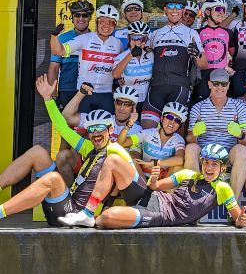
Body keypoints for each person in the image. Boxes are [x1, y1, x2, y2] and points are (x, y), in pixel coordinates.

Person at [0, 75, 145, 227]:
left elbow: (132, 169)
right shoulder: (89, 147)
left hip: (75, 213)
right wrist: (48, 99)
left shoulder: (115, 150)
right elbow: (62, 127)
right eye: (92, 130)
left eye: (100, 129)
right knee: (38, 152)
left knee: (53, 179)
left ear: (110, 130)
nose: (96, 134)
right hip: (65, 204)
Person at [93, 144, 246, 229]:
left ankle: (96, 218)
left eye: (214, 164)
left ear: (222, 168)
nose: (209, 168)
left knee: (107, 217)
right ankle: (88, 211)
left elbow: (237, 217)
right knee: (113, 159)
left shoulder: (222, 187)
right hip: (149, 197)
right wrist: (153, 180)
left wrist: (241, 221)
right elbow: (154, 187)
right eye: (206, 163)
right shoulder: (188, 174)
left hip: (159, 214)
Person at [185, 68, 246, 203]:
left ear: (228, 85)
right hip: (205, 155)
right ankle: (194, 201)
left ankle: (232, 203)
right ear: (209, 84)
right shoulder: (197, 107)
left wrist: (239, 135)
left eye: (223, 84)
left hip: (228, 156)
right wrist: (194, 133)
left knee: (241, 149)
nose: (220, 87)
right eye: (216, 83)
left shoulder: (239, 106)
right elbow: (189, 140)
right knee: (191, 148)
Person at [141, 0, 207, 128]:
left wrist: (196, 54)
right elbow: (143, 57)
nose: (175, 10)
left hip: (180, 88)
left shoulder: (191, 33)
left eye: (179, 7)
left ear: (183, 10)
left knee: (174, 131)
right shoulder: (155, 34)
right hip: (156, 88)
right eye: (171, 6)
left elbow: (203, 64)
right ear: (165, 9)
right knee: (147, 129)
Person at [50, 4, 122, 113]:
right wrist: (54, 36)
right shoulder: (84, 39)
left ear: (115, 25)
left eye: (111, 23)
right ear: (97, 22)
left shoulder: (118, 44)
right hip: (82, 93)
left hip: (105, 94)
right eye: (102, 22)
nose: (106, 26)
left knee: (106, 129)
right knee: (78, 128)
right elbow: (58, 51)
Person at [47, 0, 95, 109]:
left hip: (89, 90)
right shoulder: (62, 38)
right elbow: (53, 68)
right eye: (77, 15)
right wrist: (52, 94)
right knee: (67, 125)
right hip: (67, 90)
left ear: (90, 18)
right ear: (72, 18)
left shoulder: (96, 39)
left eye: (85, 15)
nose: (81, 18)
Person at [133, 102, 187, 182]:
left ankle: (162, 192)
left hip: (161, 180)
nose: (172, 122)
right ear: (162, 118)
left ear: (179, 126)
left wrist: (155, 163)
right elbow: (123, 142)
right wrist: (129, 125)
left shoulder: (178, 139)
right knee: (132, 160)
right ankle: (143, 188)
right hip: (143, 175)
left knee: (179, 167)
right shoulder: (148, 133)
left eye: (177, 121)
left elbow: (180, 159)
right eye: (169, 117)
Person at [195, 0, 234, 101]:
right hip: (203, 77)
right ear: (207, 11)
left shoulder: (228, 33)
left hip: (222, 76)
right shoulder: (197, 33)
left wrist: (231, 66)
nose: (222, 13)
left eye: (224, 10)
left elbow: (235, 55)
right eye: (218, 9)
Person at [112, 21, 154, 113]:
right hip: (128, 102)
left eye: (143, 38)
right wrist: (131, 54)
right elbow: (115, 74)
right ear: (128, 38)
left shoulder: (150, 55)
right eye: (135, 37)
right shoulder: (122, 56)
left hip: (146, 102)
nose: (139, 41)